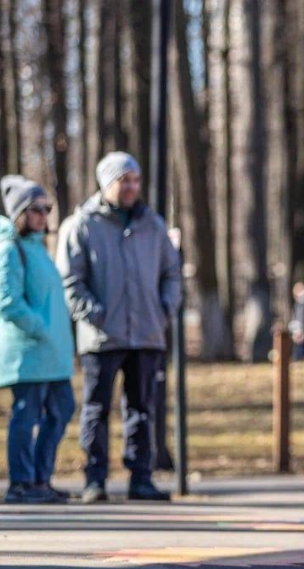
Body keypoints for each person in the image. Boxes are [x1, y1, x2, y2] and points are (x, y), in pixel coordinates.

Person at [57, 151, 182, 504]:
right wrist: (94, 313)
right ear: (106, 183)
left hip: (146, 333)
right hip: (101, 337)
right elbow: (69, 280)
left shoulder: (152, 225)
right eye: (123, 180)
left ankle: (141, 477)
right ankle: (94, 478)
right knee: (96, 408)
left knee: (142, 408)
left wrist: (163, 309)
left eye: (135, 180)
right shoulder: (81, 224)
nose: (131, 187)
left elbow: (171, 273)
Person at [0, 176, 75, 504]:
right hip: (29, 353)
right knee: (26, 416)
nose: (44, 215)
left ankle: (40, 479)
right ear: (20, 213)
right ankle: (21, 483)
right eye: (36, 209)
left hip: (53, 354)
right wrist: (40, 328)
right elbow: (7, 299)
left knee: (61, 410)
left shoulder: (38, 248)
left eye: (47, 208)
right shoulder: (10, 248)